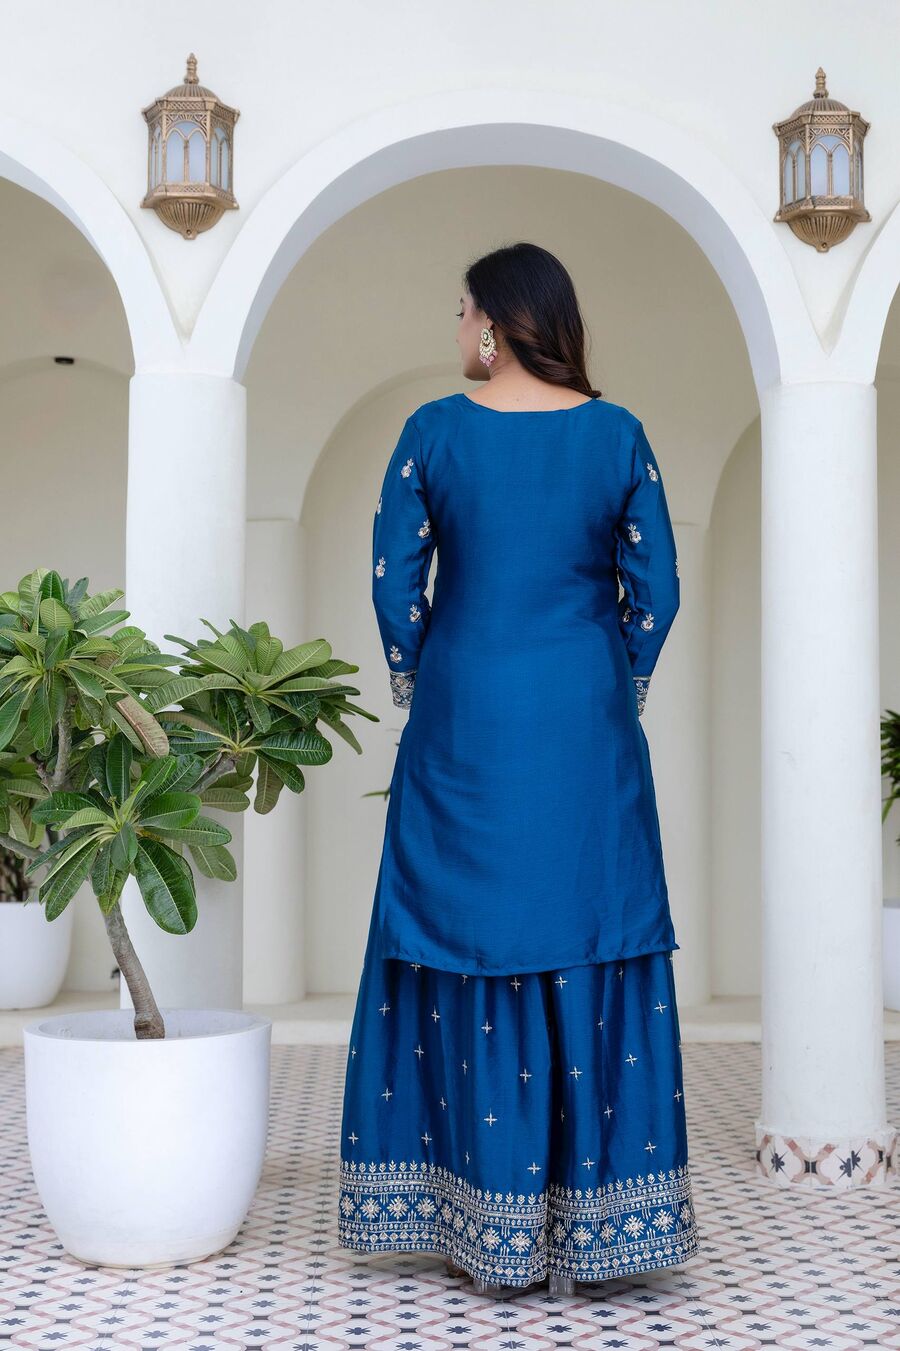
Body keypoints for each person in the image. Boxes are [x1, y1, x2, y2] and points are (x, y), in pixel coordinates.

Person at [337, 242, 699, 1296]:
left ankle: (475, 1220)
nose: (455, 329)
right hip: (584, 718)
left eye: (461, 311)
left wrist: (421, 672)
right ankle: (605, 1230)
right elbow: (658, 591)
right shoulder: (617, 434)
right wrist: (615, 678)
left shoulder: (433, 432)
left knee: (463, 924)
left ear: (493, 323)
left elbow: (394, 583)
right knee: (591, 921)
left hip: (467, 714)